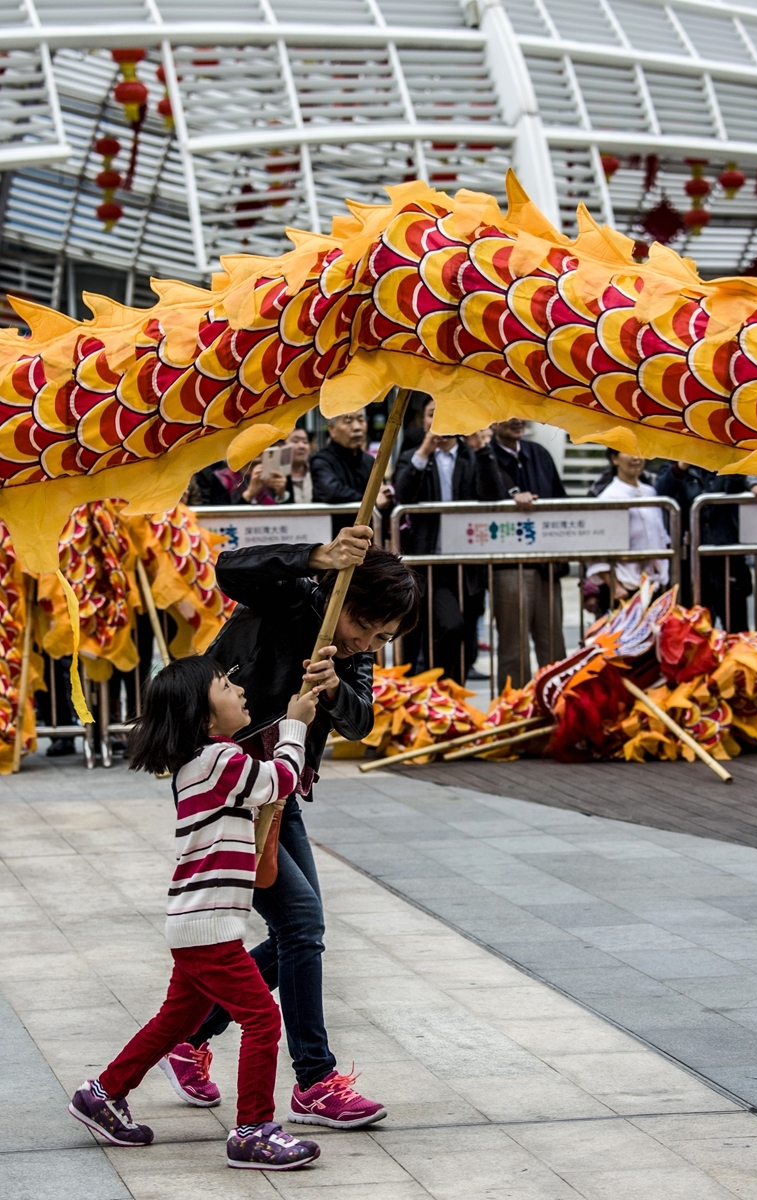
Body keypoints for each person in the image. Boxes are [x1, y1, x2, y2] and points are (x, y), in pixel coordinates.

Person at [158, 528, 421, 1128]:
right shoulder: (292, 596)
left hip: (280, 792)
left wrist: (331, 692)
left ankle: (193, 1035)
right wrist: (315, 556)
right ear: (344, 598)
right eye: (367, 628)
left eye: (383, 638)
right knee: (302, 926)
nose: (369, 644)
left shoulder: (352, 654)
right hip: (229, 784)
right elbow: (232, 569)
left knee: (298, 932)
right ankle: (315, 1081)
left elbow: (361, 721)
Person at [68, 656, 322, 1172]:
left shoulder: (206, 762)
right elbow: (279, 780)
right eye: (226, 685)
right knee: (261, 1018)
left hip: (197, 925)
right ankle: (252, 1130)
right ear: (204, 719)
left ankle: (102, 1093)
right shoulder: (216, 762)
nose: (240, 689)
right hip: (208, 929)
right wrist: (296, 723)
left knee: (175, 1022)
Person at [393, 398, 504, 684]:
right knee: (445, 625)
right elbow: (402, 495)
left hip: (466, 561)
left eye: (446, 414)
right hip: (427, 562)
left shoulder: (470, 456)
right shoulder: (413, 456)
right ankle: (435, 688)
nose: (439, 421)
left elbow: (493, 495)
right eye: (432, 415)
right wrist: (423, 452)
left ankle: (452, 694)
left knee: (466, 633)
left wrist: (481, 448)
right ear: (424, 421)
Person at [490, 418, 568, 686]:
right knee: (514, 649)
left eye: (520, 412)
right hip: (509, 564)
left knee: (554, 646)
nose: (516, 419)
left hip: (547, 564)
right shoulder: (485, 456)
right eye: (508, 413)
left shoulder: (539, 453)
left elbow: (561, 500)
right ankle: (514, 713)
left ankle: (557, 709)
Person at [656, 461, 757, 628]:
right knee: (697, 630)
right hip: (690, 560)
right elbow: (662, 492)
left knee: (736, 627)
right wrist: (681, 466)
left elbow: (738, 484)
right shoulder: (673, 466)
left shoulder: (725, 462)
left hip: (727, 557)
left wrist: (744, 477)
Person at [586, 449, 670, 614]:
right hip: (625, 588)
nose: (635, 457)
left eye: (639, 451)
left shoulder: (651, 493)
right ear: (614, 459)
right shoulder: (609, 497)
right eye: (628, 452)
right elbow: (597, 552)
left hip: (655, 586)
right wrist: (615, 586)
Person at [310, 410, 393, 533]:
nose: (357, 427)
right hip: (335, 536)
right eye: (348, 422)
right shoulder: (322, 460)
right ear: (332, 429)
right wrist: (371, 501)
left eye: (361, 420)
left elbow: (382, 495)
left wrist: (385, 498)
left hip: (368, 537)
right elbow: (332, 492)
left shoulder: (370, 461)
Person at [286, 427, 313, 503]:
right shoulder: (275, 477)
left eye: (305, 442)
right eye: (295, 441)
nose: (302, 446)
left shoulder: (317, 473)